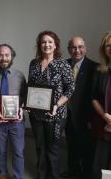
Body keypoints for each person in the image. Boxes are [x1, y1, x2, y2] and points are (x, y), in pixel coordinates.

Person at [28, 30, 75, 179]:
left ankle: (54, 176)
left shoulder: (63, 64)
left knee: (53, 149)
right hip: (36, 114)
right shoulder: (34, 64)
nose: (46, 44)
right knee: (40, 147)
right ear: (39, 45)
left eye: (50, 42)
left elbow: (70, 88)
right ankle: (41, 175)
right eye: (43, 42)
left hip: (56, 114)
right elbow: (31, 86)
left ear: (55, 45)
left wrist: (57, 105)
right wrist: (28, 102)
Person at [61, 36, 98, 179]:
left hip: (86, 116)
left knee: (87, 147)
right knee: (71, 144)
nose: (77, 50)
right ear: (69, 49)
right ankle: (73, 171)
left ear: (85, 48)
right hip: (67, 113)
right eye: (73, 47)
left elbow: (95, 94)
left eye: (80, 47)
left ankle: (86, 173)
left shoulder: (95, 67)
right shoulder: (63, 64)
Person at [0, 44, 26, 179]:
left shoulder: (20, 76)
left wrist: (22, 109)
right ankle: (2, 173)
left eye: (7, 55)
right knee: (0, 150)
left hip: (17, 121)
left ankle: (18, 176)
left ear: (12, 57)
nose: (4, 58)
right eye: (0, 55)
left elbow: (25, 97)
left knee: (18, 151)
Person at [92, 31, 111, 179]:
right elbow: (94, 98)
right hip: (104, 125)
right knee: (101, 166)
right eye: (108, 45)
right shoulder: (100, 71)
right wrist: (106, 117)